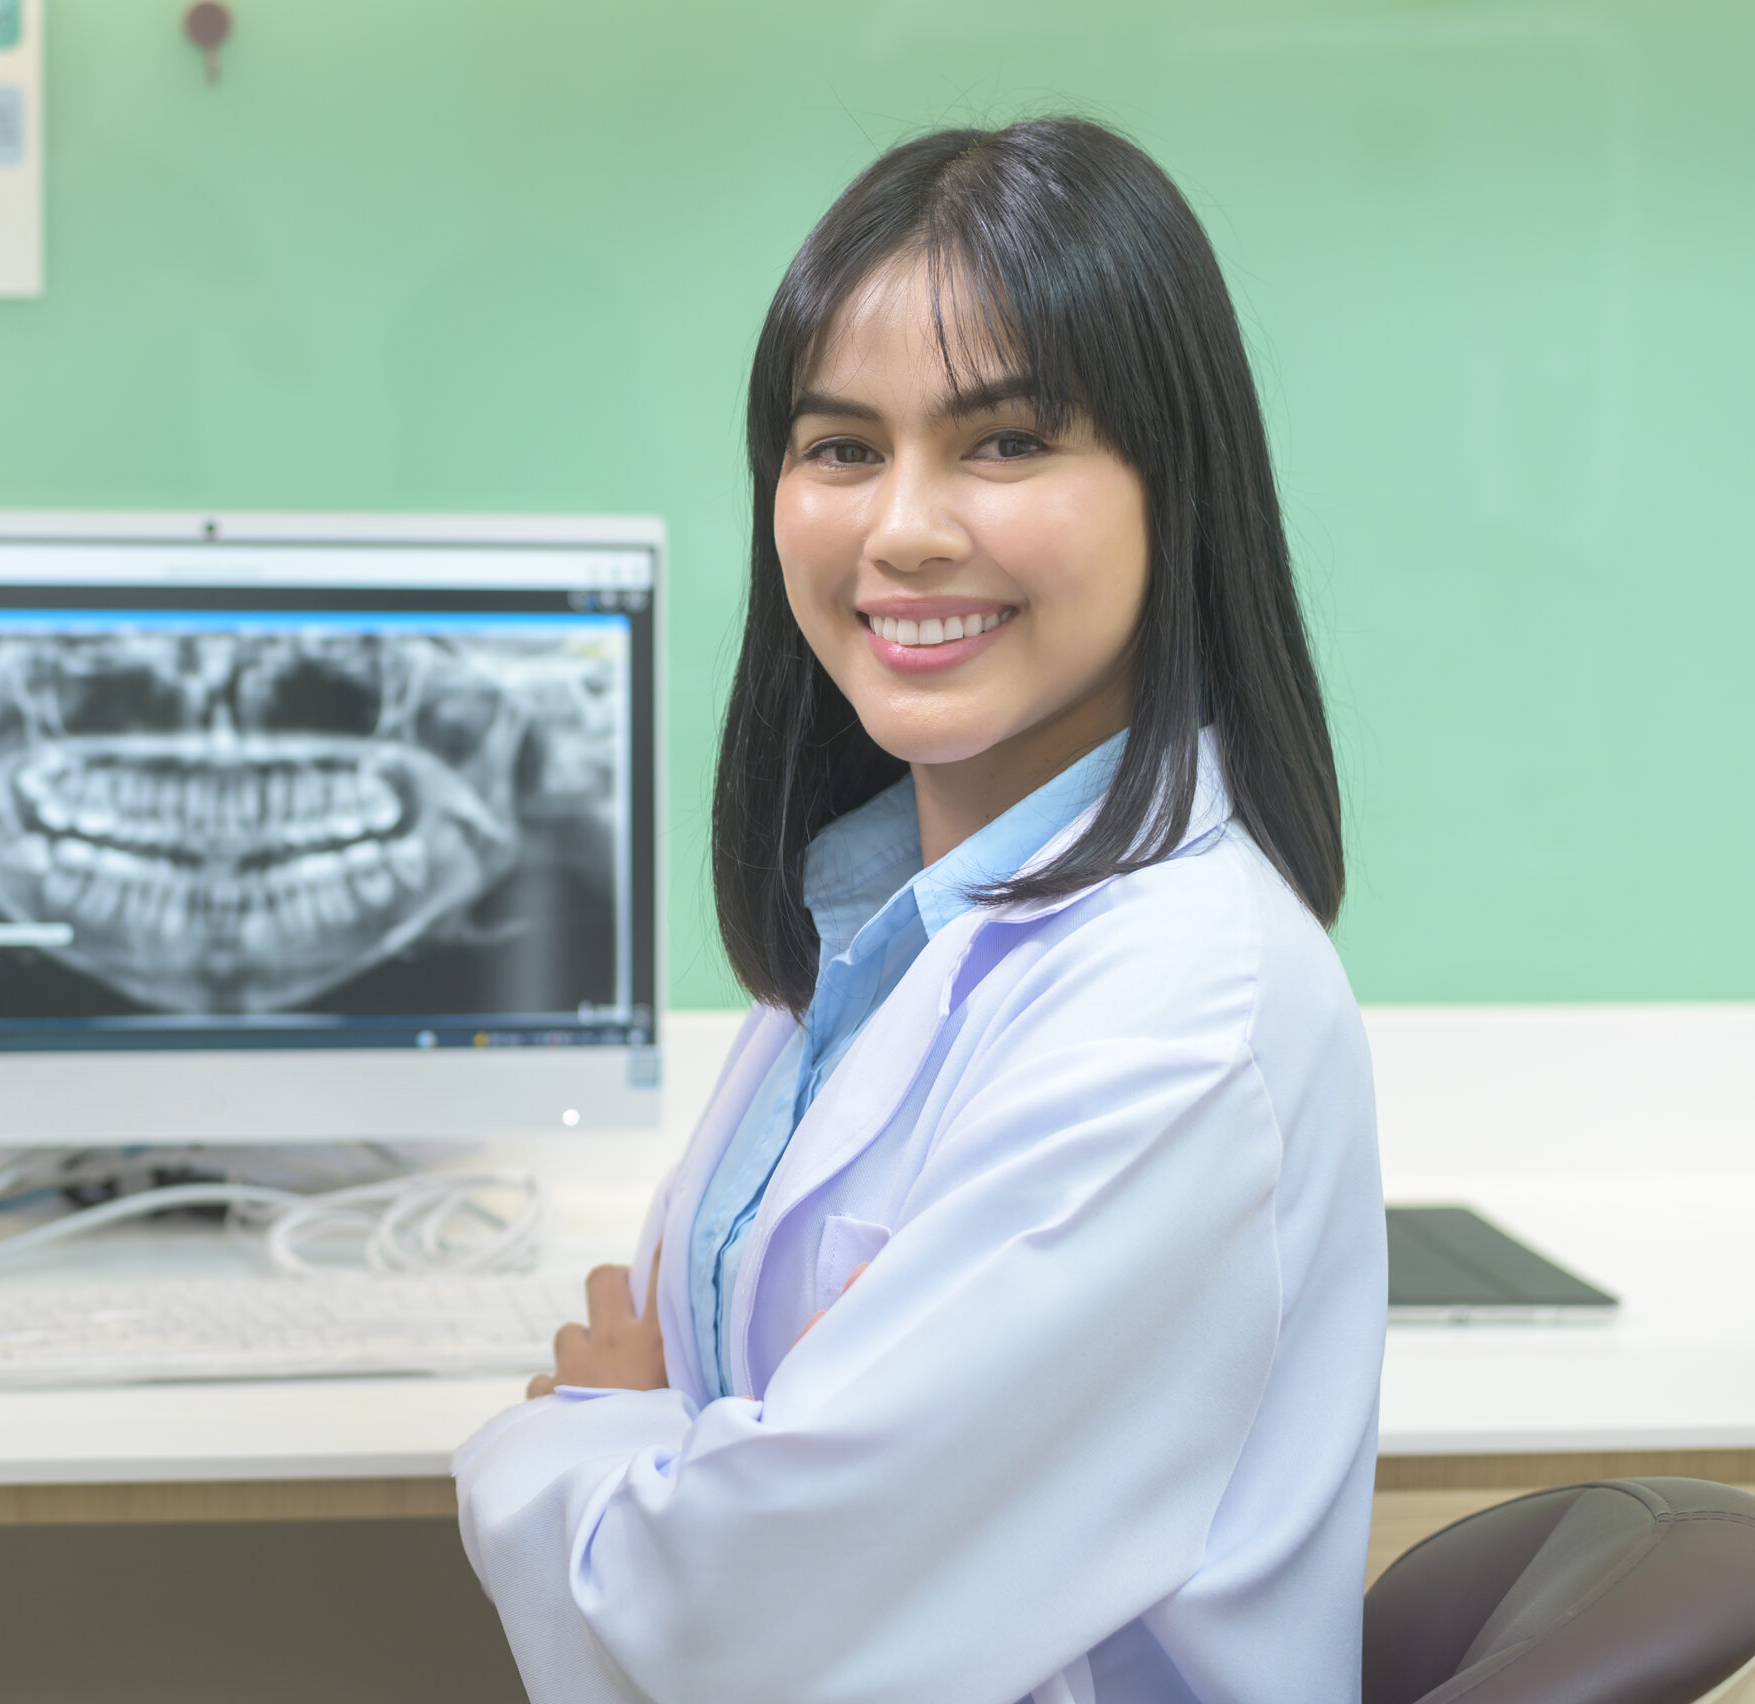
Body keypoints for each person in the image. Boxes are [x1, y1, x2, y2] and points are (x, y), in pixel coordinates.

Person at [453, 119, 1385, 1704]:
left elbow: (736, 1623)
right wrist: (698, 1451)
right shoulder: (878, 927)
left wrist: (574, 1439)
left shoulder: (1177, 1014)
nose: (901, 527)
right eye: (839, 449)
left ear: (1178, 485)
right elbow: (770, 1482)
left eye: (1006, 442)